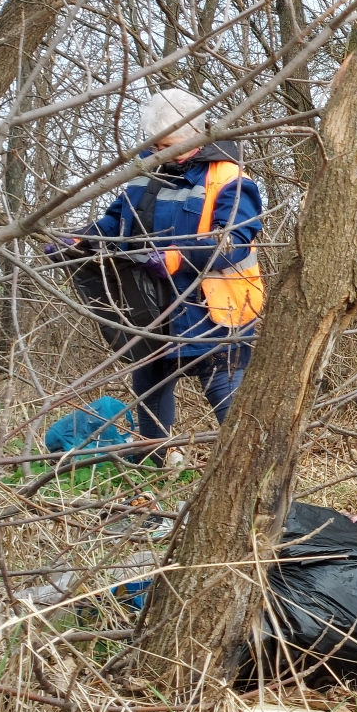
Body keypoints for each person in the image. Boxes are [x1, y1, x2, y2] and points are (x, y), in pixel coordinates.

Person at [79, 85, 265, 459]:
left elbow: (236, 240)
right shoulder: (145, 171)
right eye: (154, 145)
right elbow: (116, 221)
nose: (157, 152)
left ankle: (247, 471)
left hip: (214, 312)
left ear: (193, 136)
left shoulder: (230, 178)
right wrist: (81, 240)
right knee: (149, 386)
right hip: (152, 306)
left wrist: (180, 256)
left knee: (224, 391)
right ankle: (151, 466)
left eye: (166, 145)